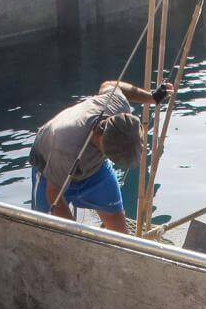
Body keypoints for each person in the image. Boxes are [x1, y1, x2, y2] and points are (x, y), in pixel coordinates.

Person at [29, 80, 170, 233]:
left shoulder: (118, 105)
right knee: (45, 229)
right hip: (50, 171)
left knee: (120, 232)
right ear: (100, 140)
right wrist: (77, 238)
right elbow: (53, 194)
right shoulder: (67, 145)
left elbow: (111, 84)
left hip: (96, 169)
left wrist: (152, 97)